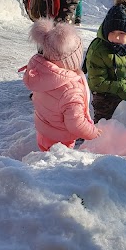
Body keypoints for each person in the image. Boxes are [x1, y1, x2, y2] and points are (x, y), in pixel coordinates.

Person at [22, 18, 101, 152]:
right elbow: (76, 123)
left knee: (45, 156)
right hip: (61, 139)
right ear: (72, 59)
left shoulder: (43, 75)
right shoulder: (71, 90)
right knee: (57, 164)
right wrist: (93, 133)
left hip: (44, 130)